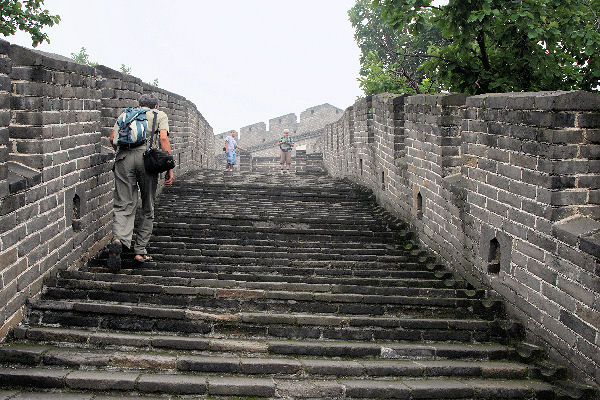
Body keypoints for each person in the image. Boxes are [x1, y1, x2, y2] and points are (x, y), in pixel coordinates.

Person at [107, 94, 174, 272]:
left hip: (123, 159)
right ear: (155, 105)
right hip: (147, 161)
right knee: (147, 205)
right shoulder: (159, 115)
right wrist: (169, 168)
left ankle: (118, 240)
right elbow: (164, 139)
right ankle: (139, 251)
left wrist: (122, 154)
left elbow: (112, 137)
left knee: (123, 204)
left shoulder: (126, 115)